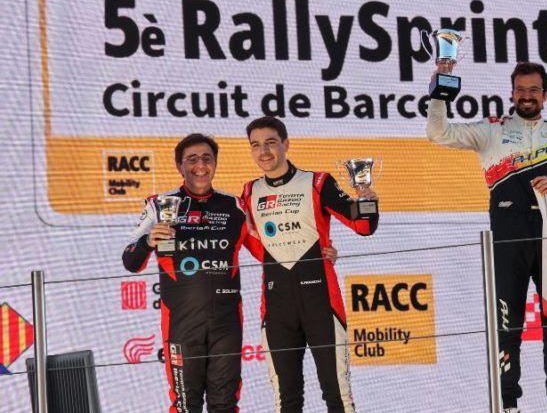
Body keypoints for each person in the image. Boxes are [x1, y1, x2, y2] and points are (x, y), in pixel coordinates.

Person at [426, 62, 547, 413]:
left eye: (533, 90)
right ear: (512, 93)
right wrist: (440, 90)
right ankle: (509, 404)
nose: (526, 96)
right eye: (520, 90)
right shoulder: (491, 131)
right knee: (507, 324)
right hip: (509, 237)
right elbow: (438, 133)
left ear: (545, 95)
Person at [242, 116, 378, 413]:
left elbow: (364, 226)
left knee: (338, 397)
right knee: (286, 402)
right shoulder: (249, 192)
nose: (264, 151)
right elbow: (255, 245)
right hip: (277, 307)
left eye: (271, 142)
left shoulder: (317, 182)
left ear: (286, 144)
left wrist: (366, 199)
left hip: (321, 303)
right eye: (256, 145)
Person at [123, 133, 250, 413]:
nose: (200, 165)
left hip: (226, 323)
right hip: (182, 323)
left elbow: (267, 250)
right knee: (185, 406)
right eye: (191, 159)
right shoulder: (159, 204)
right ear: (179, 166)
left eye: (206, 158)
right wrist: (147, 241)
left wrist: (321, 252)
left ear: (215, 163)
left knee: (225, 405)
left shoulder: (235, 206)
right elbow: (130, 260)